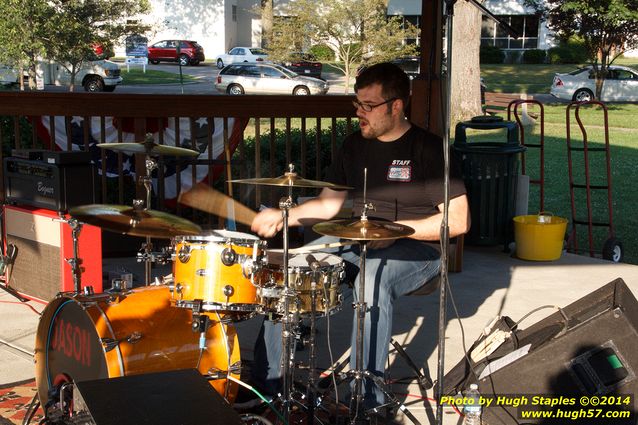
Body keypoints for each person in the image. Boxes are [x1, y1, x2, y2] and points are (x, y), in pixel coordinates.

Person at [250, 62, 470, 409]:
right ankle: (268, 389)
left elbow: (457, 222)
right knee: (291, 272)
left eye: (368, 106)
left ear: (396, 106)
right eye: (357, 104)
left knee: (371, 280)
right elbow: (328, 204)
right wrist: (285, 215)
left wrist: (397, 231)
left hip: (419, 250)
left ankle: (365, 399)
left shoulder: (430, 150)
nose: (359, 113)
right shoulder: (354, 145)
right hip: (357, 240)